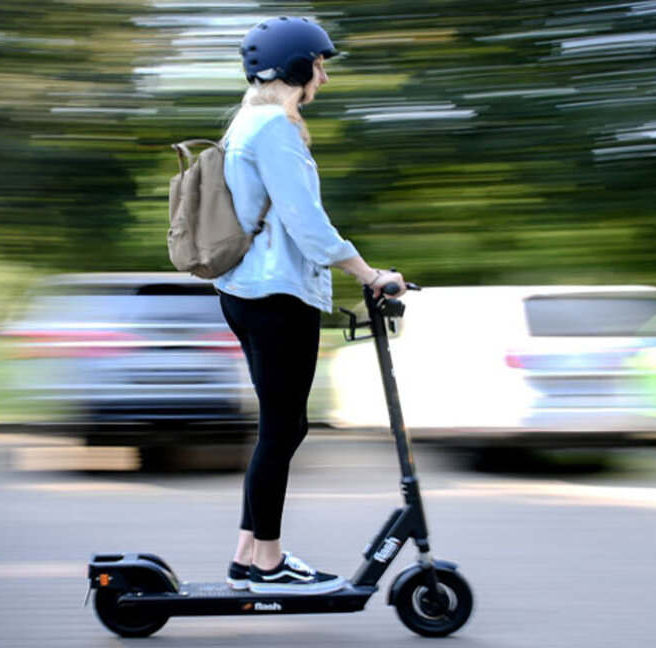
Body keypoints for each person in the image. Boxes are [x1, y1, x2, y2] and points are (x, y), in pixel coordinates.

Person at [215, 16, 404, 595]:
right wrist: (371, 274)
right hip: (274, 297)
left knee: (284, 427)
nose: (323, 74)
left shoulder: (246, 123)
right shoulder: (272, 126)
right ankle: (268, 565)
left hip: (249, 293)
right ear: (294, 68)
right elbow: (305, 223)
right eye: (318, 63)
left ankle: (249, 555)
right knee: (281, 429)